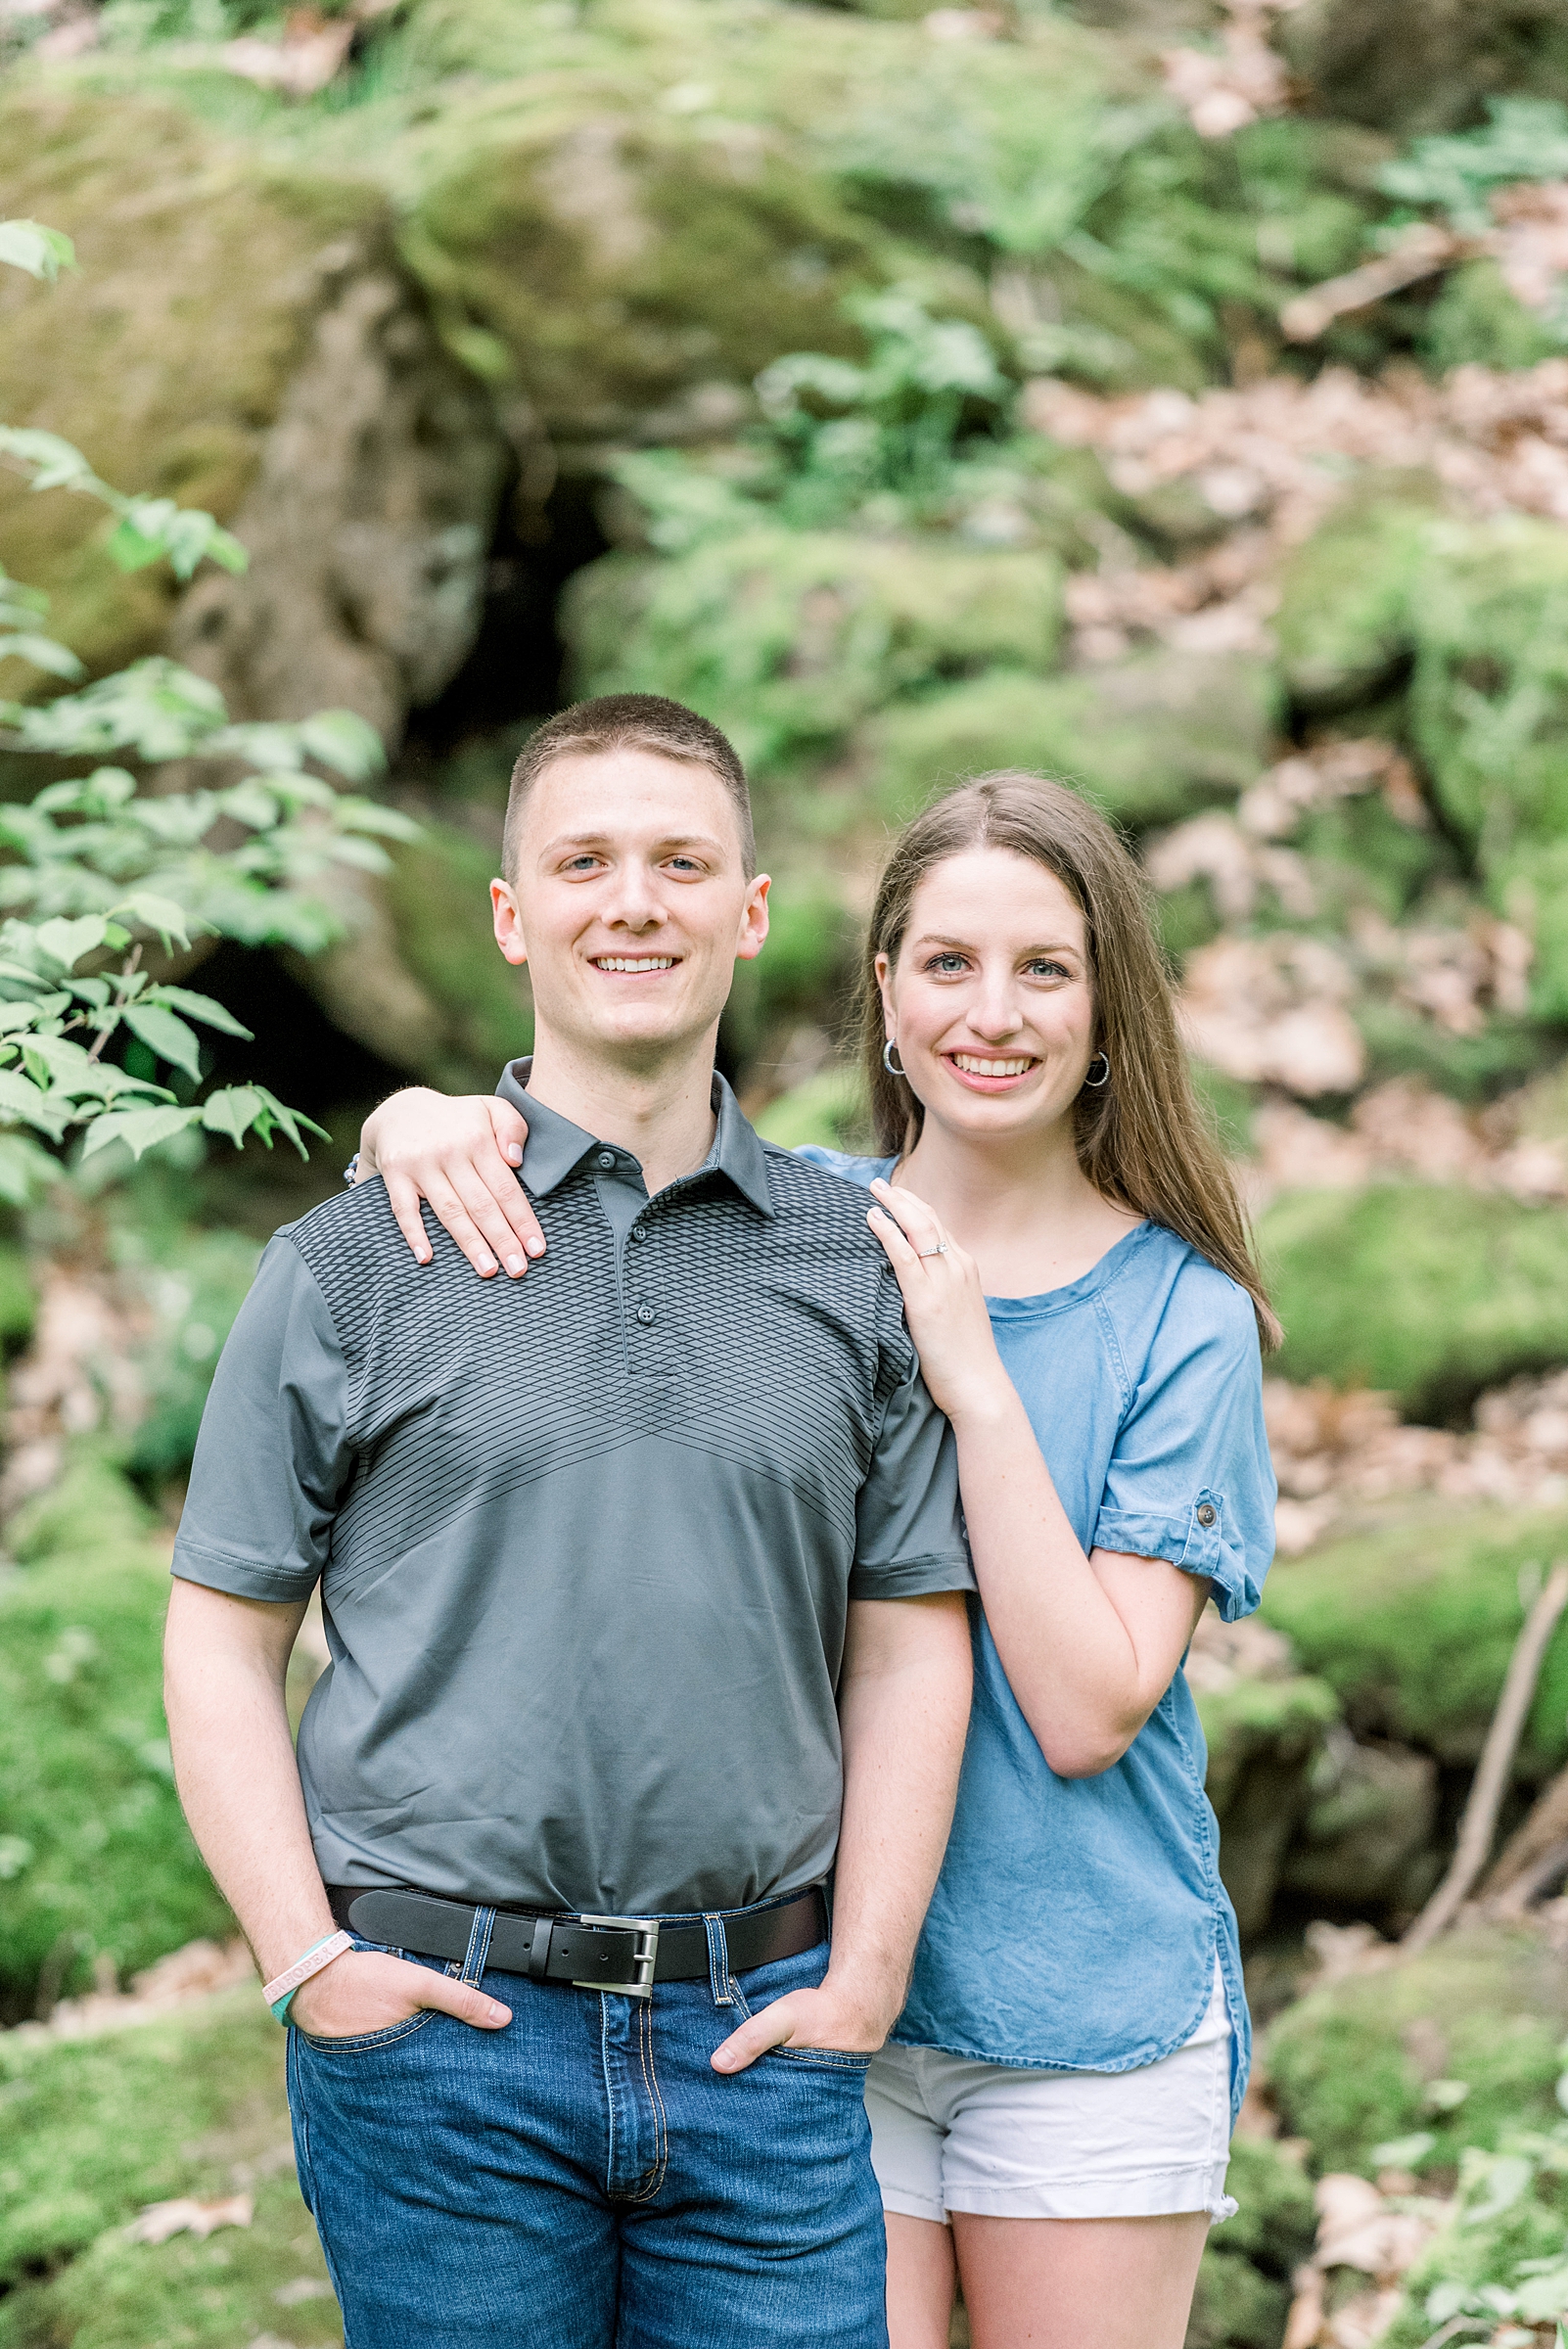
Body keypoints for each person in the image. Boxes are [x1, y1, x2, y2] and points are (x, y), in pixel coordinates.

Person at [358, 768, 1280, 2349]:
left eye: (1043, 969)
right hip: (793, 2017)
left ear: (1108, 1003)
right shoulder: (791, 1226)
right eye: (946, 965)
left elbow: (1085, 1708)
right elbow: (594, 1150)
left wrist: (970, 1380)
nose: (991, 1013)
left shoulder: (1179, 1316)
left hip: (1079, 2010)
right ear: (883, 993)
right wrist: (419, 1118)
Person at [162, 693, 978, 2349]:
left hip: (764, 2045)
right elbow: (218, 1632)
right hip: (442, 2049)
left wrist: (867, 1979)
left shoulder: (852, 1257)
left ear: (747, 911)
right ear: (511, 915)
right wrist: (309, 1965)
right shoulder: (355, 1260)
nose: (634, 902)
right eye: (584, 861)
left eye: (681, 862)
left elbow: (906, 1646)